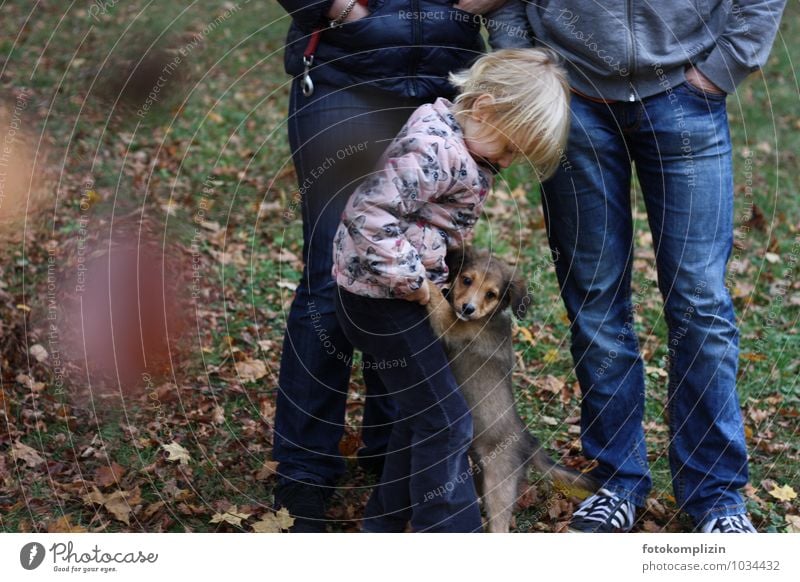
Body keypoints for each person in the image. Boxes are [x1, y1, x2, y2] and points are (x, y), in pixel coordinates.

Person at [487, 0, 787, 532]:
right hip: (570, 95)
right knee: (595, 299)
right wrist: (525, 61)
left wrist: (722, 68)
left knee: (699, 299)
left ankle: (715, 496)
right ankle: (617, 480)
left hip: (688, 95)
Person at [274, 0, 505, 532]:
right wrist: (341, 9)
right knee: (330, 277)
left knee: (413, 274)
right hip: (344, 72)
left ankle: (391, 456)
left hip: (444, 71)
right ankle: (305, 471)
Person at [333, 48, 571, 532]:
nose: (505, 162)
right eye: (508, 149)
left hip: (386, 293)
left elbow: (424, 215)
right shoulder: (435, 149)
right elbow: (367, 213)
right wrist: (419, 284)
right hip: (381, 299)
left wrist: (445, 251)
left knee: (420, 417)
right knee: (447, 423)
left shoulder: (456, 145)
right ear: (482, 111)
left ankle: (381, 528)